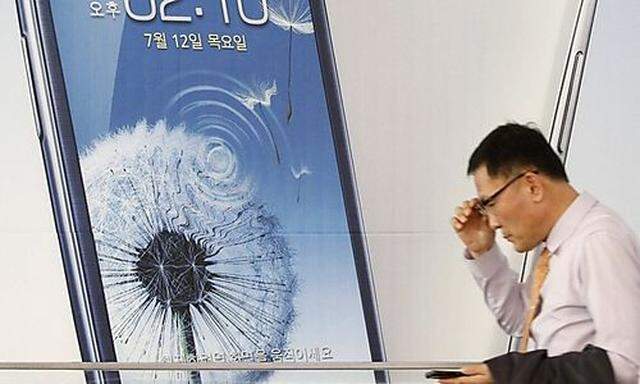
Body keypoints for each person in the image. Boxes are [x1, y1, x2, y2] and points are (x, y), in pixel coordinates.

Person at [444, 123, 640, 384]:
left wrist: (516, 376)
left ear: (533, 186)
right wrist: (483, 251)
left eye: (490, 204)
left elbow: (628, 364)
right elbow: (520, 320)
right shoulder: (558, 246)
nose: (492, 222)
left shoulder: (598, 241)